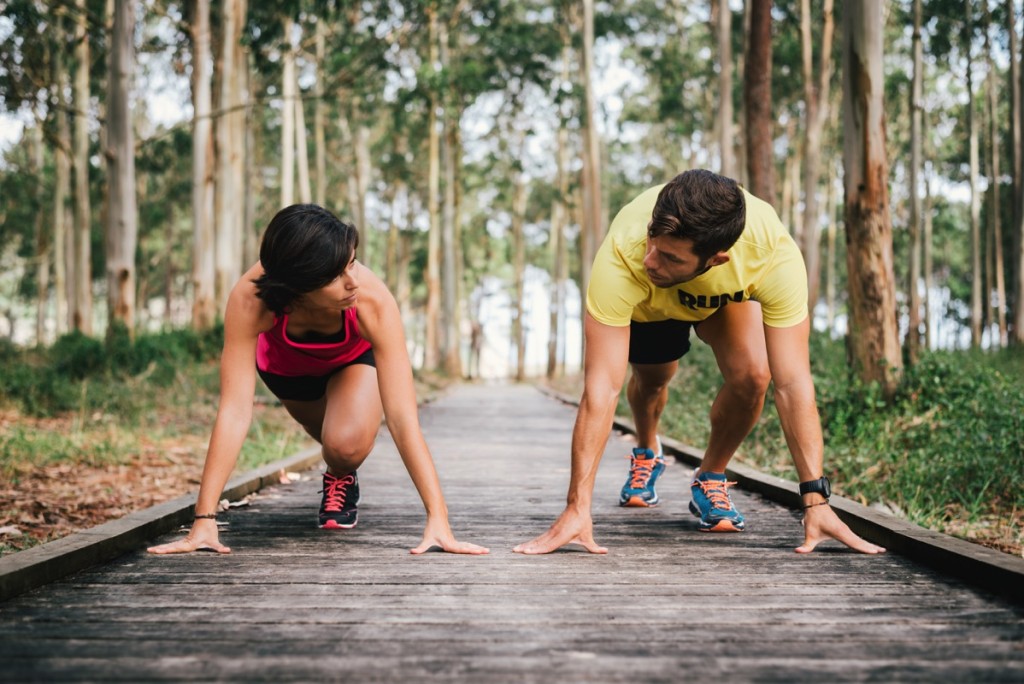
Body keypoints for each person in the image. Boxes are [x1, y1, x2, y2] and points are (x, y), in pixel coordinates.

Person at [514, 170, 885, 555]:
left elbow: (794, 384)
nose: (650, 260)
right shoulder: (627, 253)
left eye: (669, 256)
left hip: (721, 299)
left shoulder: (771, 254)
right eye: (652, 244)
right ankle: (646, 449)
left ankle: (710, 475)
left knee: (754, 376)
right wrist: (577, 507)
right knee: (654, 380)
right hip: (651, 304)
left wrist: (816, 501)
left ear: (716, 258)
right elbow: (601, 389)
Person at [149, 204, 488, 556]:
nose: (353, 280)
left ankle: (340, 474)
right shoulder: (251, 300)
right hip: (286, 371)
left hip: (352, 361)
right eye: (335, 276)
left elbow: (403, 418)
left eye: (352, 262)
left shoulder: (370, 300)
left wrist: (438, 517)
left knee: (344, 446)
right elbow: (234, 412)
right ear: (297, 284)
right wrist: (203, 518)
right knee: (330, 439)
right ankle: (338, 463)